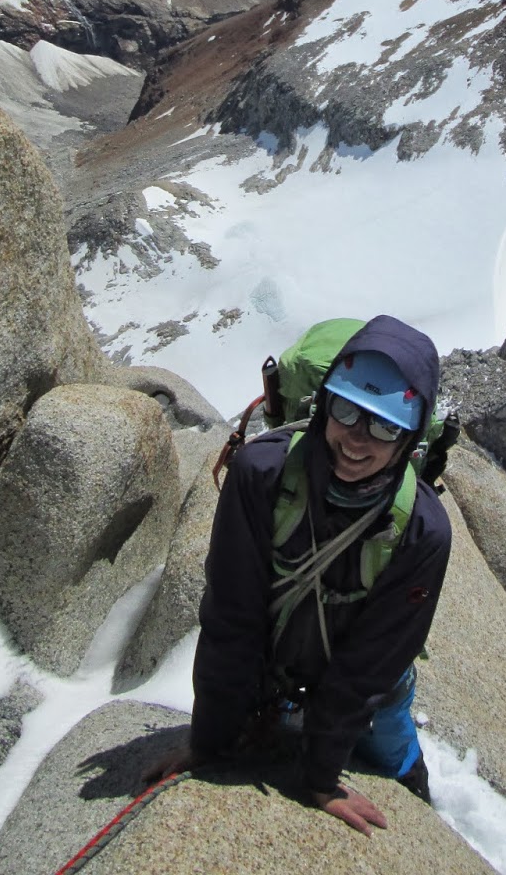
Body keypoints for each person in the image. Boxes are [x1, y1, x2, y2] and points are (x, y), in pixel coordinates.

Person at [165, 315, 451, 835]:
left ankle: (420, 797)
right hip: (271, 660)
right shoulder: (260, 475)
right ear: (323, 404)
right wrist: (208, 743)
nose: (357, 441)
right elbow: (232, 619)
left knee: (394, 747)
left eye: (385, 426)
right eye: (347, 411)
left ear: (410, 440)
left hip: (369, 688)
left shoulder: (421, 532)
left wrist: (321, 778)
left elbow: (371, 665)